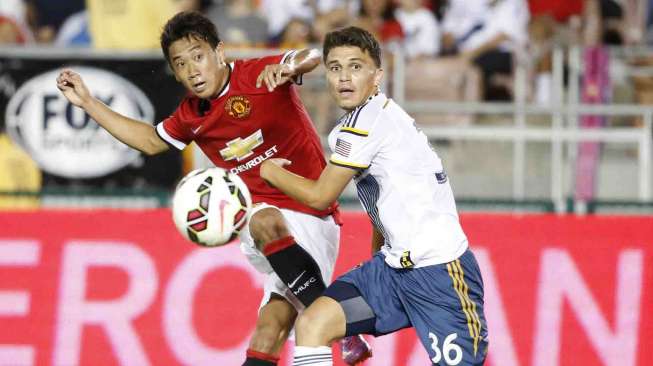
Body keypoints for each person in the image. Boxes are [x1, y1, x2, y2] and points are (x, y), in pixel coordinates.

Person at [56, 11, 371, 366]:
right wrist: (88, 103)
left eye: (198, 56)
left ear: (219, 53)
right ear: (174, 73)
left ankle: (336, 324)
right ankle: (345, 331)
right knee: (263, 220)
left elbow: (310, 56)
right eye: (181, 63)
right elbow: (149, 140)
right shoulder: (192, 115)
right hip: (264, 221)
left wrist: (293, 66)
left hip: (315, 214)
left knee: (270, 332)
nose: (192, 70)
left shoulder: (257, 74)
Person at [259, 26, 489, 365]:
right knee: (313, 324)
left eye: (356, 66)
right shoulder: (361, 123)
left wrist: (269, 170)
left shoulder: (368, 124)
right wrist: (375, 263)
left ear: (377, 75)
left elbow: (321, 197)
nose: (344, 77)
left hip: (441, 274)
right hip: (392, 271)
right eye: (335, 68)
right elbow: (381, 208)